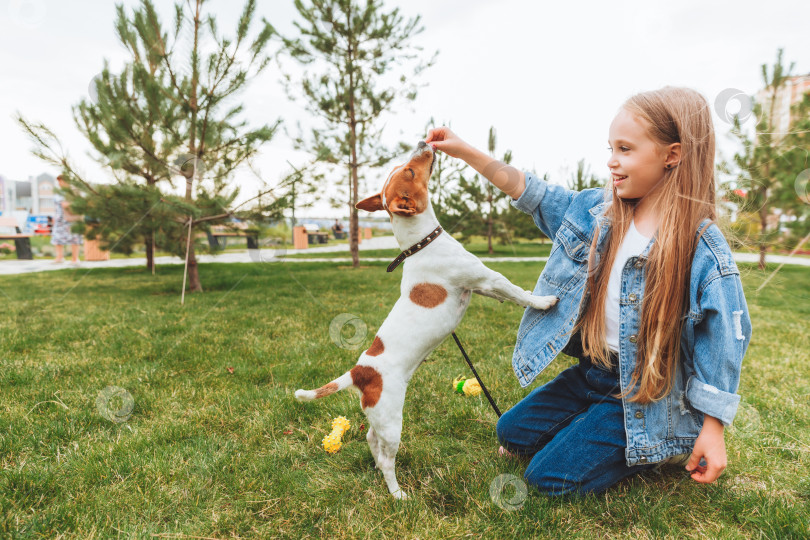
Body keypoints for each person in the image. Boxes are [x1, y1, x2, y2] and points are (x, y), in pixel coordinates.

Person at [424, 86, 752, 496]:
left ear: (672, 155)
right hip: (594, 374)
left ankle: (654, 444)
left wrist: (713, 427)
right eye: (611, 147)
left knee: (547, 479)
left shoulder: (699, 245)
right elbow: (532, 192)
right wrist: (466, 151)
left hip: (646, 395)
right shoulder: (597, 211)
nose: (612, 160)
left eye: (626, 149)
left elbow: (725, 338)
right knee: (510, 432)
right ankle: (599, 422)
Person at [51, 175, 83, 265]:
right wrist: (54, 217)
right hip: (59, 218)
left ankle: (75, 259)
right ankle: (59, 257)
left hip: (71, 218)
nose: (60, 183)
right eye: (59, 181)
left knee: (74, 238)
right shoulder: (59, 192)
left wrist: (68, 204)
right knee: (57, 237)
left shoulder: (74, 191)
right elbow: (56, 206)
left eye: (61, 181)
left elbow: (80, 203)